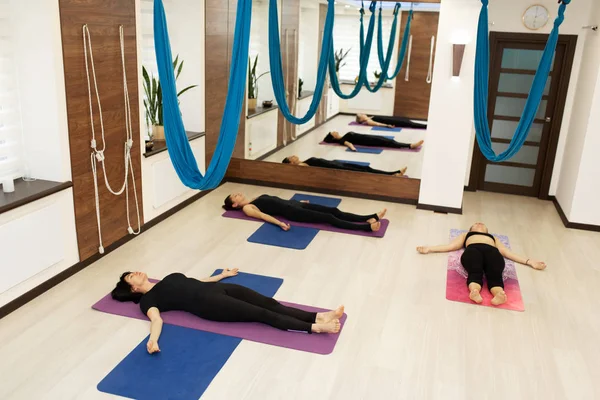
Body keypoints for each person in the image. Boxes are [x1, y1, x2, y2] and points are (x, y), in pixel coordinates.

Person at [112, 269, 344, 354]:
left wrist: (221, 276)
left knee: (269, 302)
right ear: (133, 288)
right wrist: (153, 340)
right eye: (132, 276)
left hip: (218, 289)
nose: (137, 272)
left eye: (133, 271)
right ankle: (315, 328)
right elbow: (156, 319)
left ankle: (318, 315)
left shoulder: (167, 278)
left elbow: (196, 280)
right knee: (261, 314)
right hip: (209, 305)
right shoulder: (148, 300)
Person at [416, 222, 547, 306]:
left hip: (492, 252)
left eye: (482, 224)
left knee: (495, 273)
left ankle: (499, 294)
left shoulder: (493, 238)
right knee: (475, 271)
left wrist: (530, 262)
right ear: (471, 229)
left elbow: (506, 252)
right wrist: (430, 248)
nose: (479, 223)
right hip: (473, 250)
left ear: (487, 230)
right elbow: (451, 246)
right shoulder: (466, 234)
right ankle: (474, 291)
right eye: (475, 224)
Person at [224, 192, 386, 232]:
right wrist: (280, 223)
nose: (238, 193)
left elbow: (277, 201)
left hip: (295, 204)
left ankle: (370, 217)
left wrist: (298, 202)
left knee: (333, 209)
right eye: (235, 196)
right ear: (235, 204)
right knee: (328, 217)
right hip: (294, 213)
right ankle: (366, 227)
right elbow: (264, 216)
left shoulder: (252, 199)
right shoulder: (247, 208)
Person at [282, 155, 407, 176]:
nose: (293, 155)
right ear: (291, 163)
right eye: (291, 157)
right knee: (364, 171)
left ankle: (392, 173)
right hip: (337, 168)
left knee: (365, 168)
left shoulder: (304, 161)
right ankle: (392, 174)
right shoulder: (302, 166)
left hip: (337, 163)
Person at [323, 131, 424, 152]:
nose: (335, 131)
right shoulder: (342, 140)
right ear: (333, 137)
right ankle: (410, 146)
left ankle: (409, 145)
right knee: (389, 143)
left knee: (388, 140)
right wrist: (353, 148)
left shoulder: (343, 136)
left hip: (368, 137)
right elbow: (348, 144)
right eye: (333, 133)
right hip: (368, 141)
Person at [356, 113, 427, 130]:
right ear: (361, 119)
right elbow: (378, 124)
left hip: (392, 119)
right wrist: (387, 125)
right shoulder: (369, 121)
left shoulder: (370, 117)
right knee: (410, 124)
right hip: (392, 122)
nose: (363, 113)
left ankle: (427, 126)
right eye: (361, 115)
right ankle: (426, 126)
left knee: (408, 121)